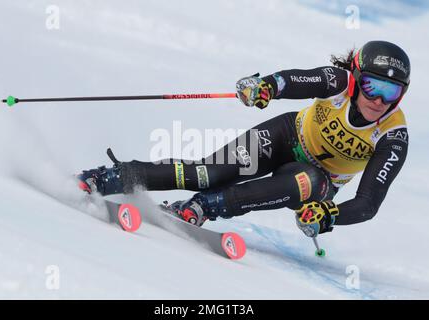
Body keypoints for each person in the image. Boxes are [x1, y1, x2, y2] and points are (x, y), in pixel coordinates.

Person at [78, 40, 410, 238]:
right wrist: (264, 86)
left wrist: (329, 216)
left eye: (391, 92)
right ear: (355, 79)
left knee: (303, 180)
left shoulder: (393, 135)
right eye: (372, 86)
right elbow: (292, 82)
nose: (379, 100)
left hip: (321, 180)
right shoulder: (337, 81)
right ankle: (108, 178)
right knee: (208, 173)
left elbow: (368, 203)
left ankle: (201, 206)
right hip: (287, 136)